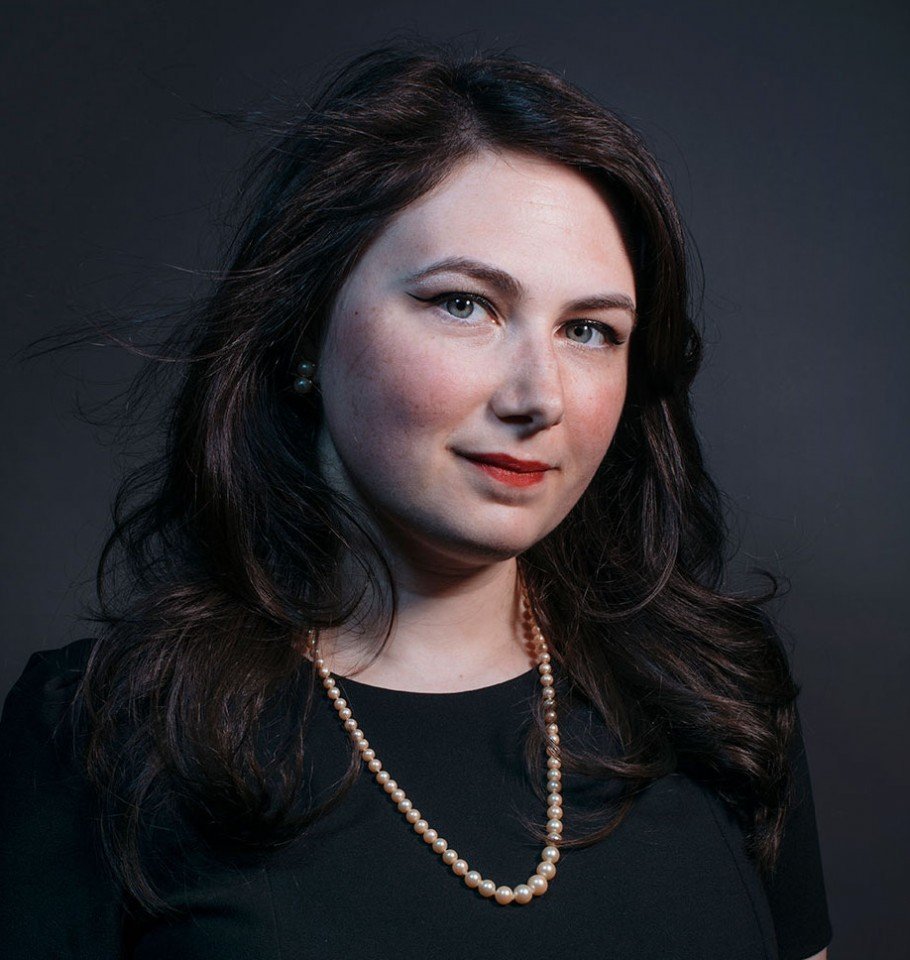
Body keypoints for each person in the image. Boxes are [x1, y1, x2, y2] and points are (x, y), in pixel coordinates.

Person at [0, 40, 833, 959]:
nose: (540, 397)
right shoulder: (100, 732)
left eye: (590, 330)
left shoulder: (716, 693)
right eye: (464, 304)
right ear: (305, 328)